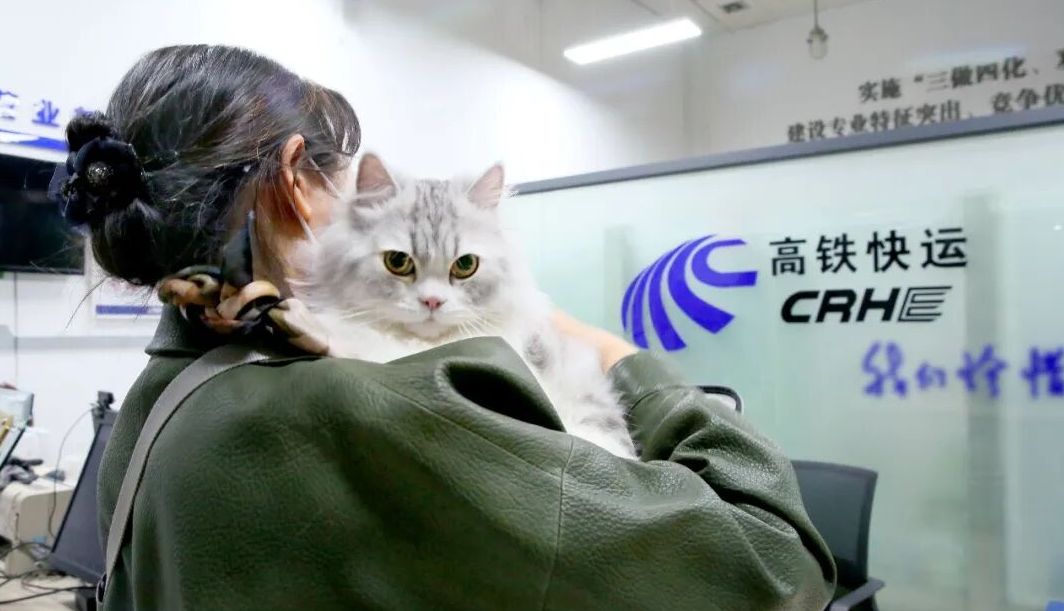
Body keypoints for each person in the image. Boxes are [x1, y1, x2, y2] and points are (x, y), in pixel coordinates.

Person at [62, 45, 835, 610]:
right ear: (294, 181)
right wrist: (617, 356)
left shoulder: (154, 403)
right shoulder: (374, 409)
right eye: (345, 189)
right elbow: (773, 562)